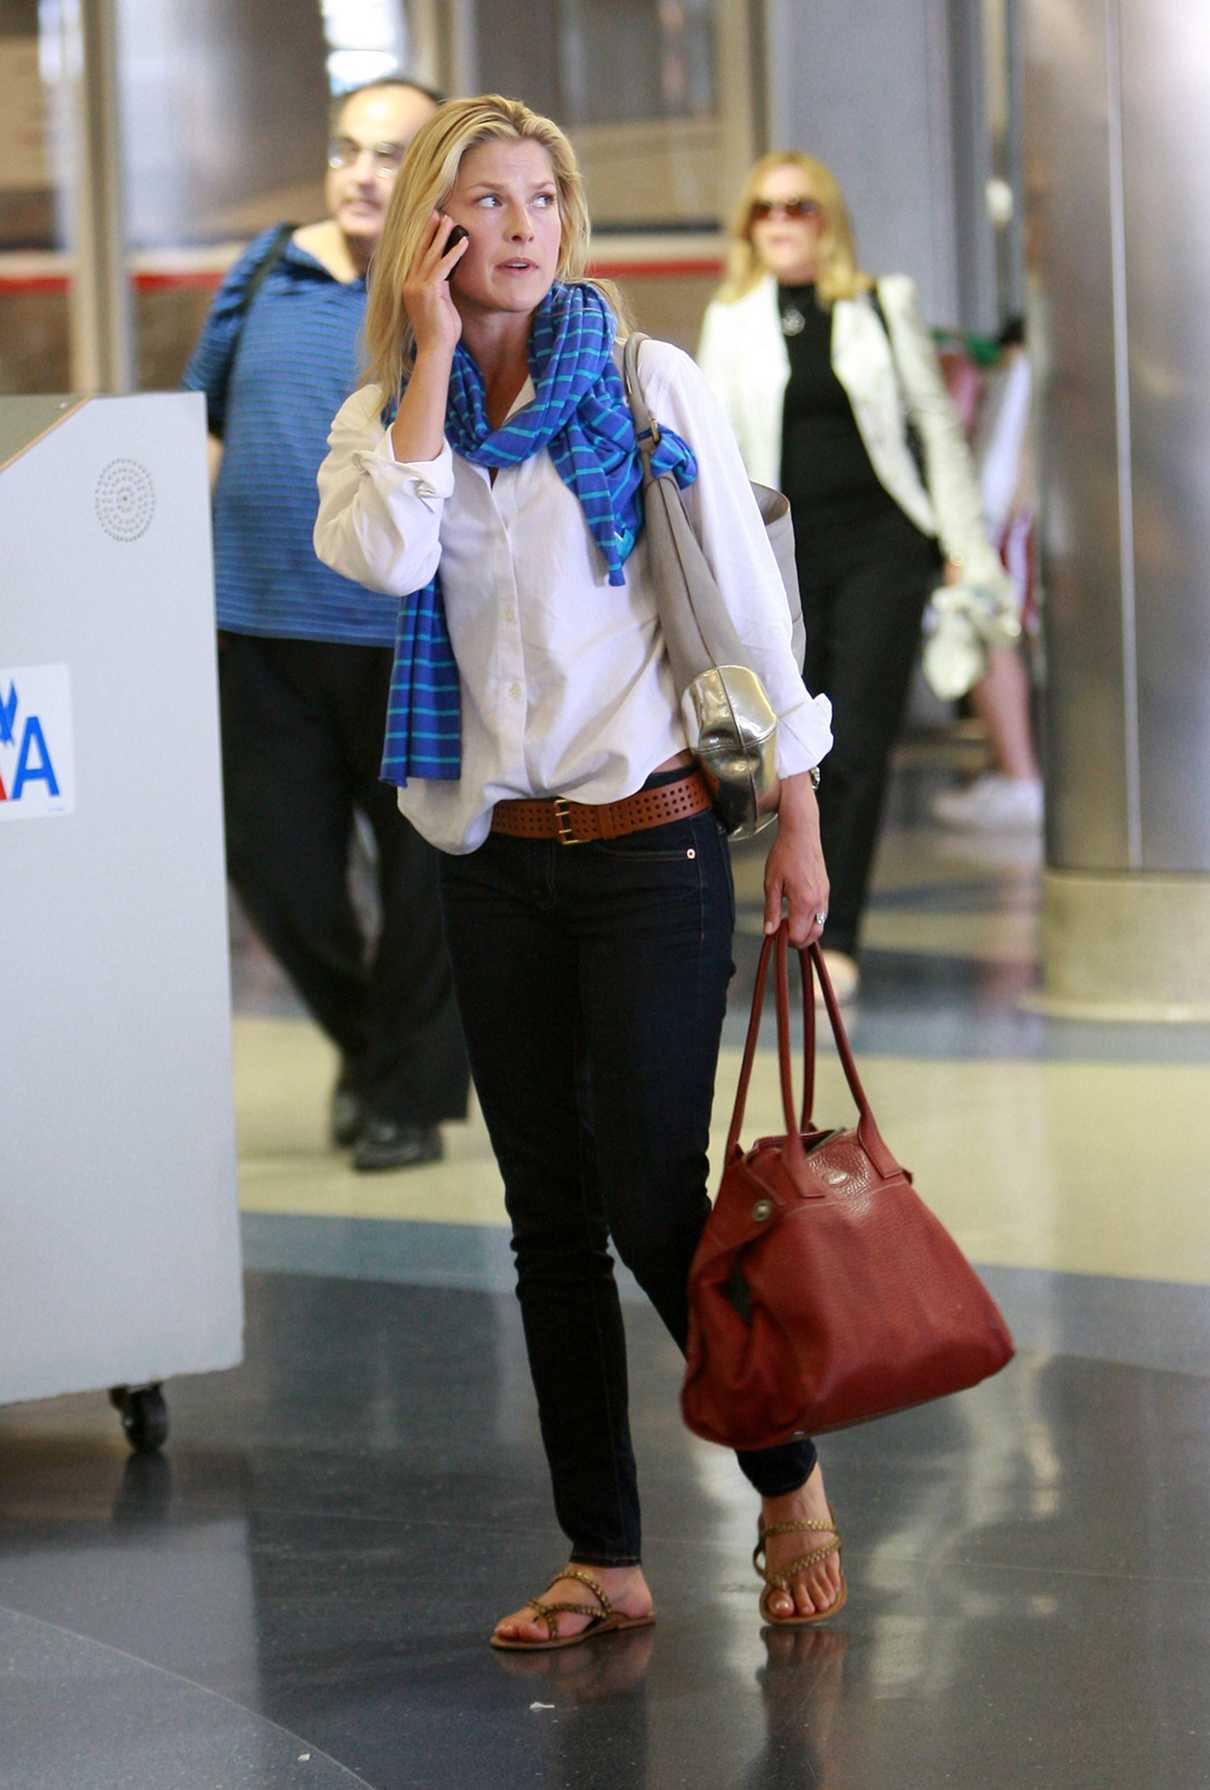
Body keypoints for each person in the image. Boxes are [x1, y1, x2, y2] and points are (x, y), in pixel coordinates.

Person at [314, 95, 841, 1645]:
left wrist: (797, 820)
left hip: (652, 844)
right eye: (487, 198)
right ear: (431, 229)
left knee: (645, 1200)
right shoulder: (381, 428)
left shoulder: (643, 378)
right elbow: (387, 562)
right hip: (493, 860)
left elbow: (743, 610)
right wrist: (422, 356)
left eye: (545, 194)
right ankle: (604, 1555)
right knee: (544, 1209)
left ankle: (783, 1469)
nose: (528, 224)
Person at [183, 76, 470, 1172]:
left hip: (412, 643)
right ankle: (371, 1046)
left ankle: (404, 1094)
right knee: (277, 870)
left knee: (420, 887)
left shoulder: (449, 291)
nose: (360, 172)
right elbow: (202, 428)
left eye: (390, 153)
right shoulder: (263, 268)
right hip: (258, 630)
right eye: (347, 148)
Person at [698, 152, 1015, 1001]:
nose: (780, 224)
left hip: (882, 542)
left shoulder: (883, 303)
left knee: (861, 741)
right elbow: (712, 452)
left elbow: (934, 431)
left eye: (798, 207)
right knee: (790, 743)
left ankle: (837, 935)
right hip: (784, 558)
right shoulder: (730, 319)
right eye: (763, 210)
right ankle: (795, 902)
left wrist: (963, 545)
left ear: (826, 217)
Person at [932, 318, 1044, 831]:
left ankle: (1020, 775)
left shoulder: (1022, 370)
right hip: (998, 527)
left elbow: (1001, 465)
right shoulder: (1032, 370)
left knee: (989, 641)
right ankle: (1012, 769)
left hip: (996, 529)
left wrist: (971, 535)